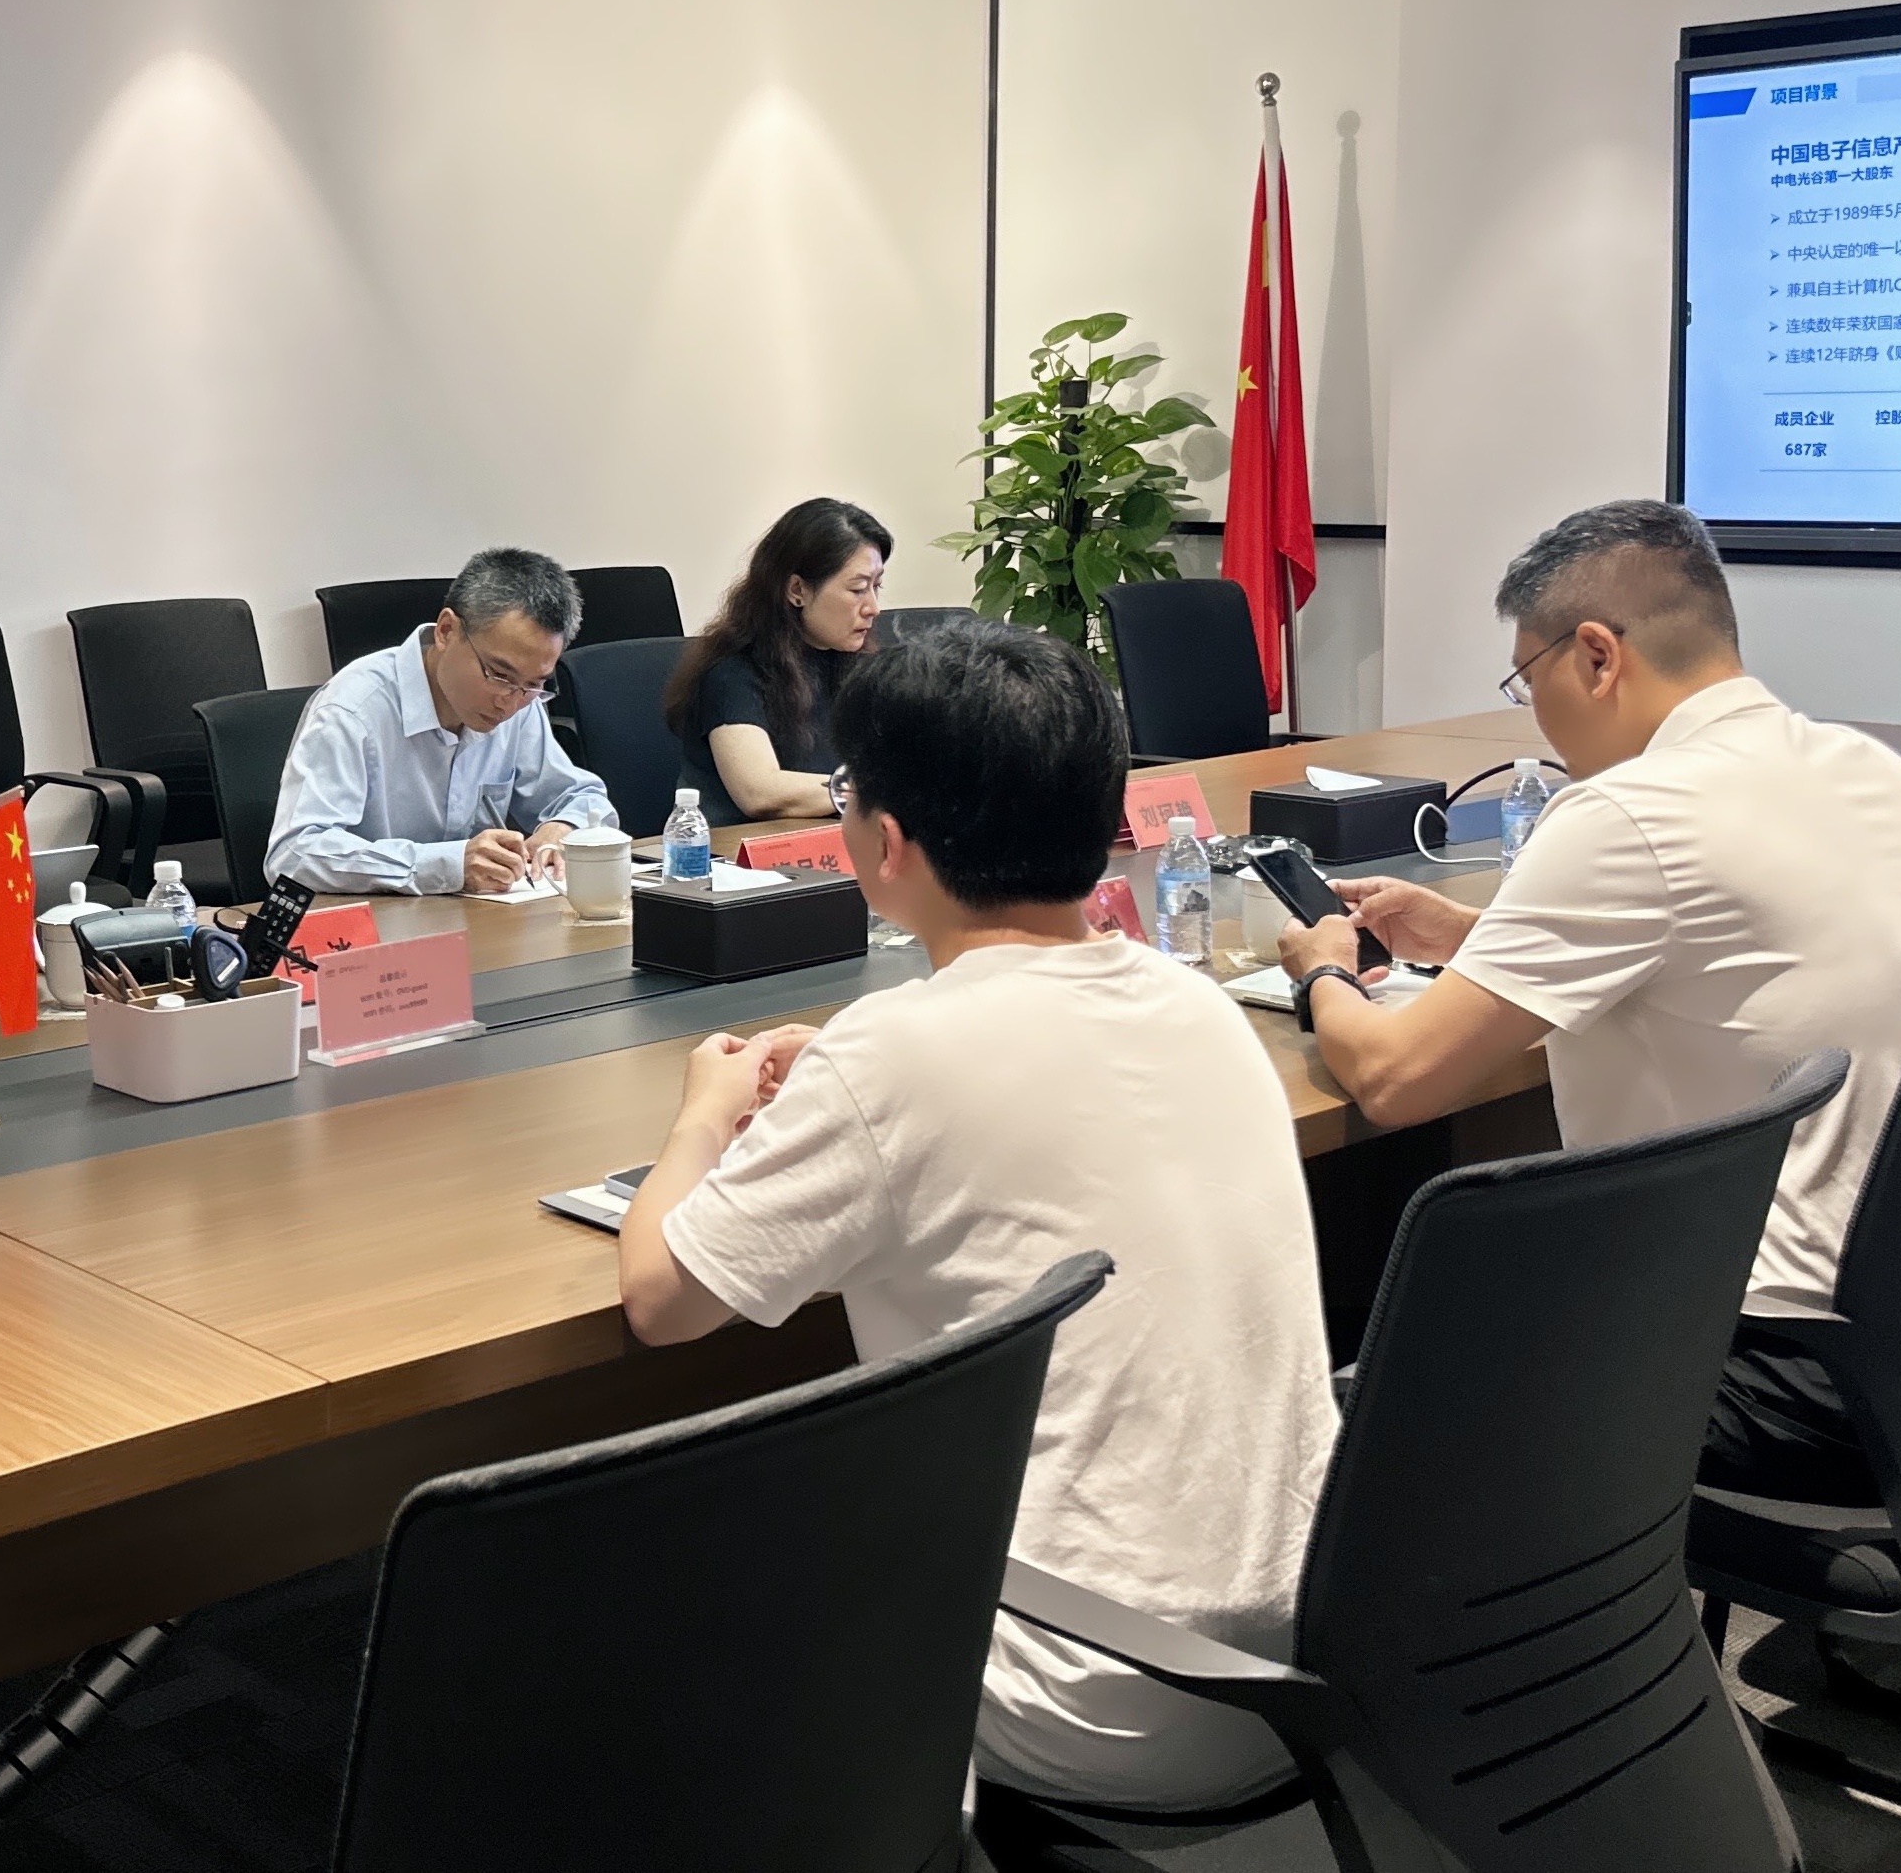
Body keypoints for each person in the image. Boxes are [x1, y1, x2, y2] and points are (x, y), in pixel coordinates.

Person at [618, 624, 1333, 1814]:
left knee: (674, 1562)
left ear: (886, 842)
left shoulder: (894, 1056)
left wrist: (702, 1117)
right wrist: (848, 1077)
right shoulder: (1191, 999)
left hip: (1095, 1697)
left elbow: (662, 1302)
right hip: (1311, 1664)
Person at [1274, 500, 1901, 1504]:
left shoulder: (1628, 811)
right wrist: (1477, 939)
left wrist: (1323, 970)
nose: (1533, 713)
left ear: (1596, 656)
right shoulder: (1862, 764)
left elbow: (1394, 1080)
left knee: (1337, 1405)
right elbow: (1722, 950)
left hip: (1763, 1363)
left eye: (1528, 679)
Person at [263, 546, 618, 895]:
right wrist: (445, 865)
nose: (510, 702)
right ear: (446, 631)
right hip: (377, 924)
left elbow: (583, 797)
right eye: (498, 674)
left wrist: (562, 827)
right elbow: (294, 853)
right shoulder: (352, 710)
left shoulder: (522, 700)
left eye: (534, 684)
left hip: (477, 920)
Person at [664, 497, 890, 821]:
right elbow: (760, 792)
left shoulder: (859, 665)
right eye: (857, 589)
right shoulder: (732, 673)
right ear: (797, 590)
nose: (873, 608)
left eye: (876, 587)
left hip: (832, 843)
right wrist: (874, 791)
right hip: (742, 848)